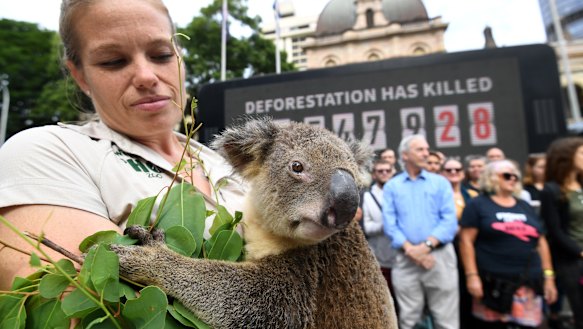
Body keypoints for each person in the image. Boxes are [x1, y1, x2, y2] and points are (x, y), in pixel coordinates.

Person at [0, 0, 246, 290]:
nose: (146, 76)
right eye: (113, 61)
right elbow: (97, 310)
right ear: (79, 75)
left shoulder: (229, 162)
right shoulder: (48, 153)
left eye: (162, 55)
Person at [460, 159, 557, 329]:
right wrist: (471, 276)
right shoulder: (477, 205)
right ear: (491, 177)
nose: (512, 179)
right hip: (493, 284)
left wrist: (549, 277)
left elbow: (541, 243)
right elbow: (466, 241)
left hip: (529, 283)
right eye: (506, 175)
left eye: (515, 176)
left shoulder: (524, 206)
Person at [383, 134, 459, 329]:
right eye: (420, 150)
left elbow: (449, 221)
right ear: (405, 155)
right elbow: (390, 224)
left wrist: (425, 247)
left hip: (439, 257)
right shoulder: (392, 186)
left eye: (427, 149)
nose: (426, 153)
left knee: (447, 321)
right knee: (409, 320)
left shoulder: (441, 183)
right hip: (406, 260)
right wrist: (412, 251)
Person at [540, 137, 583, 329]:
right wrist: (579, 251)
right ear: (567, 157)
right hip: (572, 260)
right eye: (581, 153)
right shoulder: (551, 190)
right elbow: (555, 230)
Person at [441, 157, 478, 329]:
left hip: (472, 249)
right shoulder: (438, 194)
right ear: (443, 173)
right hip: (447, 248)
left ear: (463, 174)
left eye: (457, 170)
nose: (454, 173)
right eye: (449, 170)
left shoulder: (473, 195)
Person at [362, 159, 398, 312]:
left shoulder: (400, 192)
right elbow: (367, 227)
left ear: (393, 172)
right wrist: (386, 225)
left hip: (402, 257)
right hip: (380, 257)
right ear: (374, 175)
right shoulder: (367, 196)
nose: (384, 174)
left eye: (387, 171)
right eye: (380, 171)